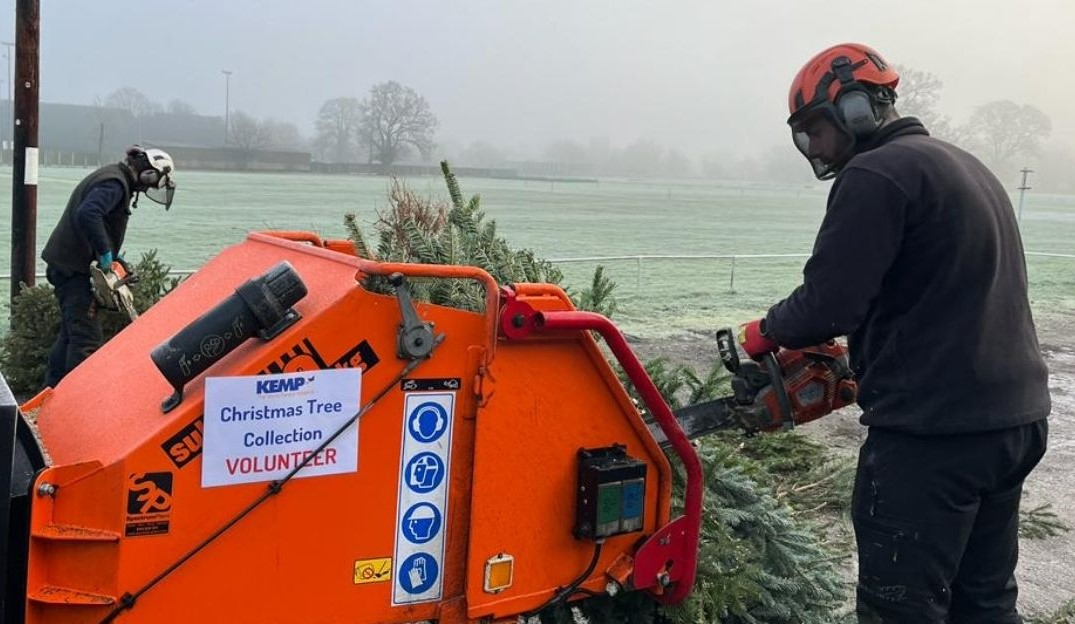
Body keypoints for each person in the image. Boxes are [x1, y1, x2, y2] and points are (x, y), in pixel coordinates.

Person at [736, 43, 1050, 623]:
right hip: (1014, 422)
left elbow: (829, 304)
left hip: (934, 437)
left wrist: (765, 331)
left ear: (855, 109)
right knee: (983, 601)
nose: (816, 148)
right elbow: (931, 295)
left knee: (899, 608)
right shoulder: (967, 167)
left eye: (817, 130)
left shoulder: (876, 173)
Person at [41, 145, 176, 387]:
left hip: (68, 265)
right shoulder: (115, 183)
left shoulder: (113, 175)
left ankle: (48, 395)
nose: (149, 186)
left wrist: (114, 258)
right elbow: (89, 213)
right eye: (153, 180)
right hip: (75, 270)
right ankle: (75, 404)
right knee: (86, 340)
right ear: (147, 171)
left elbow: (97, 221)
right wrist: (104, 254)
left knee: (70, 335)